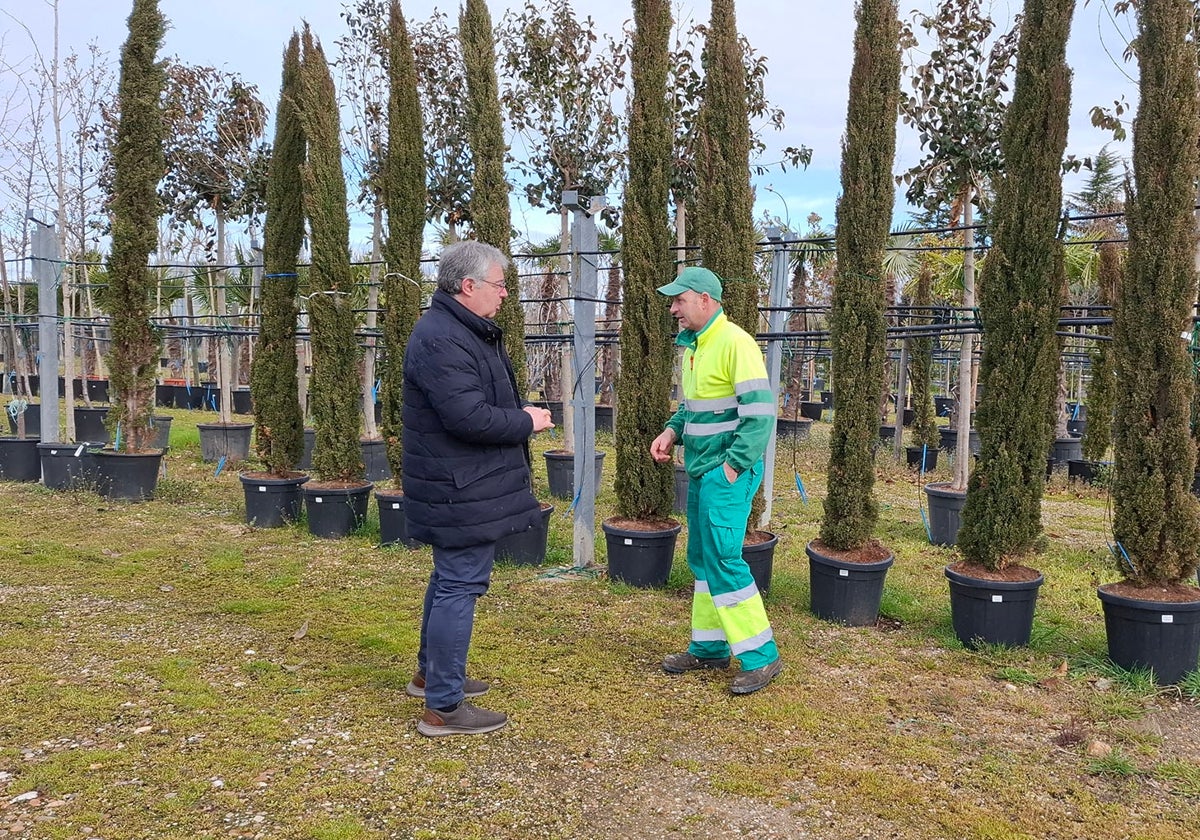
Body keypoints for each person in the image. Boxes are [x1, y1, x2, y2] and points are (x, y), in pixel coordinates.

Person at [402, 239, 554, 737]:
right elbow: (467, 417)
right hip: (458, 483)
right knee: (459, 584)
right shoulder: (443, 337)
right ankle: (444, 707)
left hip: (460, 479)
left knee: (449, 579)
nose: (505, 294)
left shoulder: (460, 331)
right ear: (468, 286)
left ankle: (431, 677)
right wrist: (526, 421)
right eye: (499, 284)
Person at [649, 266, 782, 695]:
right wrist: (671, 431)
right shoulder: (695, 347)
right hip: (703, 471)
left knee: (724, 558)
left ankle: (762, 657)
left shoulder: (735, 343)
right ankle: (708, 649)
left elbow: (760, 415)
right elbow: (695, 407)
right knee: (704, 560)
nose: (674, 308)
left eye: (679, 300)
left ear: (705, 301)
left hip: (725, 473)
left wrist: (732, 468)